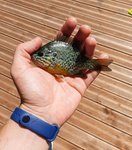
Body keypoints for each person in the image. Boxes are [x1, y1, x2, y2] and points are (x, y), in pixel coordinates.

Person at [0, 17, 110, 150]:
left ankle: (98, 65)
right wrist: (37, 111)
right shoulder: (49, 63)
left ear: (52, 57)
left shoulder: (54, 59)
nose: (35, 57)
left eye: (40, 55)